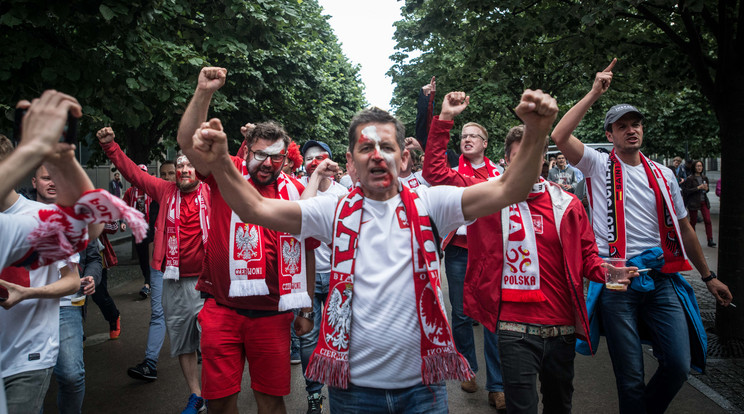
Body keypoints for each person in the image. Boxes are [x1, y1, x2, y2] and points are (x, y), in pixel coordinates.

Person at [184, 84, 559, 413]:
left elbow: (510, 189)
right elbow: (255, 208)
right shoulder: (332, 209)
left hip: (423, 390)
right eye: (366, 148)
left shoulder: (434, 203)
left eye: (387, 147)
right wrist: (220, 162)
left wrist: (538, 132)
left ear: (404, 158)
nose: (377, 155)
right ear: (350, 162)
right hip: (352, 391)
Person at [551, 58, 733, 413]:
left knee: (679, 365)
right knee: (629, 376)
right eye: (621, 127)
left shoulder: (664, 174)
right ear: (609, 135)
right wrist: (593, 93)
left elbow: (684, 228)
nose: (631, 130)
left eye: (635, 124)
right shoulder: (597, 164)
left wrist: (709, 277)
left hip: (661, 279)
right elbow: (559, 136)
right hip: (617, 282)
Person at [463, 124, 638, 413]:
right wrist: (442, 117)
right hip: (512, 327)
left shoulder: (567, 204)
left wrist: (608, 272)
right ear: (506, 160)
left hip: (561, 327)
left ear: (543, 159)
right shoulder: (490, 201)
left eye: (533, 154)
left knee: (560, 405)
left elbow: (588, 258)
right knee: (522, 408)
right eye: (519, 156)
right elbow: (437, 175)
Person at [176, 67, 317, 414]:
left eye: (276, 157)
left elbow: (307, 251)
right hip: (222, 310)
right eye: (260, 154)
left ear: (286, 157)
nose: (267, 163)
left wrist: (307, 306)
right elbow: (186, 141)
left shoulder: (296, 191)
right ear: (248, 150)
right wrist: (203, 92)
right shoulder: (227, 173)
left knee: (271, 402)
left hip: (272, 314)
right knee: (221, 403)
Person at [97, 127, 210, 413]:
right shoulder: (164, 190)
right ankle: (196, 396)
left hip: (208, 281)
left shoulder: (212, 191)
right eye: (180, 165)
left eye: (190, 165)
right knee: (184, 342)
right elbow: (134, 174)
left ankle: (214, 392)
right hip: (172, 278)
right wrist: (111, 148)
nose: (184, 170)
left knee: (213, 341)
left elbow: (235, 171)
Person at [421, 99, 505, 405]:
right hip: (458, 252)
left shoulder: (499, 175)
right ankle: (468, 368)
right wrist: (442, 118)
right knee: (461, 313)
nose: (466, 139)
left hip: (491, 254)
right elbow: (432, 169)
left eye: (472, 136)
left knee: (492, 316)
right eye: (463, 136)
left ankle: (497, 385)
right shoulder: (453, 172)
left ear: (485, 143)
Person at [30, 164, 93, 414]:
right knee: (33, 379)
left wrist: (90, 277)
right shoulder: (19, 214)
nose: (52, 183)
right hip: (29, 306)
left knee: (71, 375)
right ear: (34, 182)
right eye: (46, 178)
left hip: (66, 306)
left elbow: (93, 257)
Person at [295, 139, 350, 414]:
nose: (314, 161)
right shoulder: (299, 193)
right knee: (308, 338)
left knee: (340, 336)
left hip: (337, 279)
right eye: (309, 158)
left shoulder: (343, 194)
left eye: (320, 157)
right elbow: (303, 214)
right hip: (306, 278)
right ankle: (314, 394)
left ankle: (341, 392)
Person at [122, 165, 153, 298]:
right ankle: (148, 281)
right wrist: (123, 222)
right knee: (142, 257)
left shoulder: (152, 189)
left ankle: (148, 284)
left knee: (150, 256)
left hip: (150, 228)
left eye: (143, 173)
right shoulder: (130, 192)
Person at [682, 160, 715, 247]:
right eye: (697, 166)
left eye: (700, 166)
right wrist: (698, 187)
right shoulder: (690, 179)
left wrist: (706, 189)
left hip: (704, 201)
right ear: (694, 167)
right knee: (693, 221)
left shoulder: (704, 178)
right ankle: (693, 240)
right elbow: (686, 191)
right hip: (693, 202)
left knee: (708, 220)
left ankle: (710, 239)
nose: (699, 168)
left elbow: (707, 190)